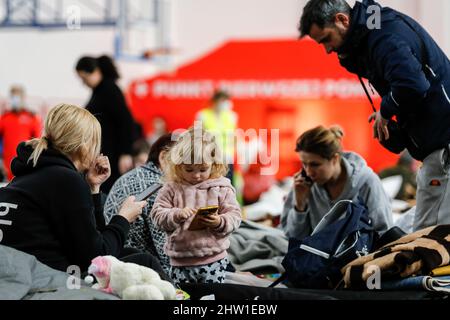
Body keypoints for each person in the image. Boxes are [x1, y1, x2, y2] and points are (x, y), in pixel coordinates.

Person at [299, 0, 450, 231]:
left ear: (342, 19)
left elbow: (412, 84)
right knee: (428, 233)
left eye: (326, 39)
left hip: (443, 142)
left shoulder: (383, 38)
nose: (328, 50)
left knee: (431, 235)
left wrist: (386, 110)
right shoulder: (375, 31)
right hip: (437, 141)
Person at [0, 103, 169, 278]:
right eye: (96, 142)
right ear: (83, 145)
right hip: (47, 278)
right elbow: (97, 256)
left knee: (129, 254)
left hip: (20, 272)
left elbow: (92, 240)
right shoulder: (65, 179)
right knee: (144, 262)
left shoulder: (30, 175)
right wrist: (123, 218)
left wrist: (93, 189)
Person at [151, 126, 242, 285]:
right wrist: (175, 214)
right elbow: (157, 215)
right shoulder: (171, 189)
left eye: (203, 169)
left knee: (211, 297)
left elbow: (235, 216)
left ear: (213, 164)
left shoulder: (221, 188)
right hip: (180, 262)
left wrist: (219, 221)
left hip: (214, 260)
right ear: (178, 166)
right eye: (189, 169)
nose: (196, 175)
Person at [280, 125, 392, 240]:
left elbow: (384, 232)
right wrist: (300, 206)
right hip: (317, 253)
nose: (308, 172)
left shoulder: (367, 182)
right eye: (304, 164)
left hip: (359, 253)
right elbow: (294, 238)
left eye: (315, 164)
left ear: (335, 159)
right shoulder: (305, 185)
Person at [104, 133, 176, 275]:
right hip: (139, 271)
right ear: (163, 158)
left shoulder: (134, 176)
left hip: (117, 262)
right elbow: (166, 252)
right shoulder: (157, 187)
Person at [75, 55, 137, 193]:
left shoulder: (110, 89)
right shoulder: (99, 91)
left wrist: (126, 152)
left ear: (96, 72)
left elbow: (126, 121)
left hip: (114, 153)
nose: (83, 83)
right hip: (105, 149)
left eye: (84, 78)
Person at [0, 85, 41, 181]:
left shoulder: (32, 117)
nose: (16, 99)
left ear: (23, 97)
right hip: (7, 166)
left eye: (18, 96)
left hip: (26, 164)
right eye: (13, 96)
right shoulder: (5, 118)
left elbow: (38, 141)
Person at [196, 90, 238, 183]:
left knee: (228, 183)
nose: (225, 103)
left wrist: (232, 151)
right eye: (222, 100)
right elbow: (198, 136)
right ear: (215, 101)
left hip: (227, 157)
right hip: (210, 157)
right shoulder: (203, 115)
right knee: (211, 183)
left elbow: (234, 136)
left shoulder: (231, 116)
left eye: (226, 101)